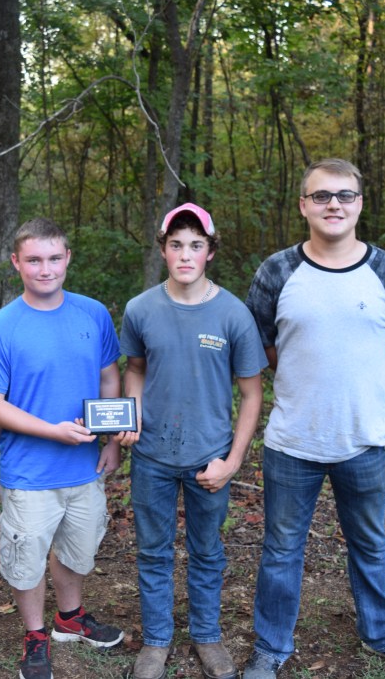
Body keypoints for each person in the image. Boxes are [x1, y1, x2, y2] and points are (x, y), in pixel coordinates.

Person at [242, 158, 385, 677]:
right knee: (281, 550)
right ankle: (271, 647)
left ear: (359, 204)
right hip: (292, 441)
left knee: (370, 544)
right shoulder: (277, 271)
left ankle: (383, 635)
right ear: (304, 204)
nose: (334, 204)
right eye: (322, 195)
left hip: (366, 438)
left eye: (344, 195)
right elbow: (262, 347)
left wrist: (354, 358)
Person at [0, 218, 130, 679]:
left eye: (54, 258)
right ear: (16, 263)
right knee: (27, 561)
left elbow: (108, 376)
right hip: (29, 473)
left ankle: (70, 619)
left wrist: (110, 440)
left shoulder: (93, 313)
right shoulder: (2, 327)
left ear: (67, 259)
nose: (45, 269)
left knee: (79, 551)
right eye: (34, 260)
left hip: (84, 468)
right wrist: (52, 430)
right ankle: (36, 634)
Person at [119, 203, 266, 679]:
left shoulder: (233, 314)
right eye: (176, 244)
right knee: (153, 550)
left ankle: (207, 635)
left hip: (210, 456)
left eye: (196, 245)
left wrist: (233, 460)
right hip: (152, 457)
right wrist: (132, 415)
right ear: (163, 249)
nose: (186, 254)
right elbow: (136, 370)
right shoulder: (141, 309)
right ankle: (157, 641)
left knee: (207, 550)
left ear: (210, 252)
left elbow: (251, 393)